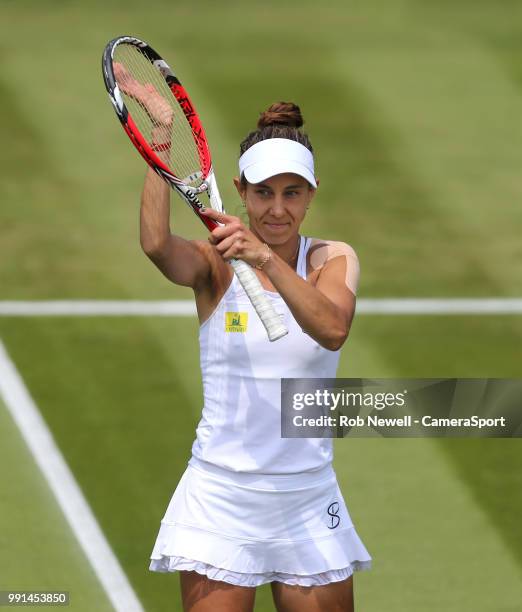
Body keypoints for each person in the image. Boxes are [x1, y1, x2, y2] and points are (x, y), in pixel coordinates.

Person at [143, 100, 372, 612]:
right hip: (221, 497)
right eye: (263, 193)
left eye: (292, 194)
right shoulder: (212, 264)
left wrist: (263, 257)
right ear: (240, 191)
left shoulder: (332, 258)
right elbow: (156, 245)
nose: (277, 209)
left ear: (311, 196)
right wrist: (160, 137)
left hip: (308, 498)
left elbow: (332, 328)